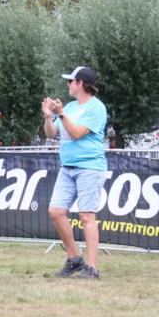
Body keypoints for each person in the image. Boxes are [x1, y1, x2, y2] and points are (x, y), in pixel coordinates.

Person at [43, 66, 108, 279]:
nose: (68, 85)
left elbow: (77, 133)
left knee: (86, 215)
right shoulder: (70, 106)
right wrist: (48, 117)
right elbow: (51, 133)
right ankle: (74, 259)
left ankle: (92, 267)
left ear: (80, 83)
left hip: (89, 167)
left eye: (70, 81)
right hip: (67, 167)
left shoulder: (96, 108)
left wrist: (61, 114)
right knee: (55, 211)